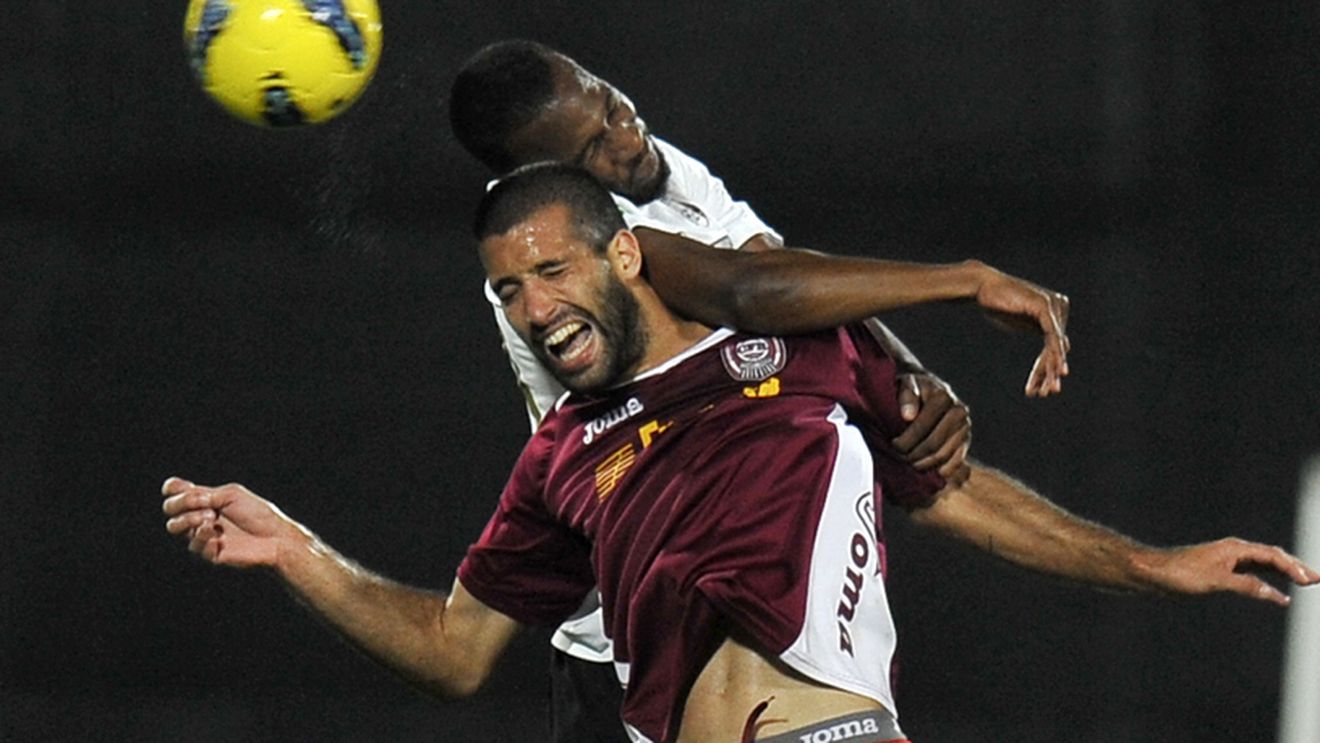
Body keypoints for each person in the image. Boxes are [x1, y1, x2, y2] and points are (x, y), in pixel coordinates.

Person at [162, 163, 1319, 743]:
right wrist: (296, 552)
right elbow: (459, 651)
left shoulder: (793, 348)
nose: (532, 306)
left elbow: (952, 492)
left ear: (626, 256)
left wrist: (1152, 564)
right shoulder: (561, 457)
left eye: (553, 270)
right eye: (507, 289)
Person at [448, 40, 1071, 740]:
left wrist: (902, 370)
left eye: (613, 105)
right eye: (596, 147)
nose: (628, 137)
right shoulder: (585, 249)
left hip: (736, 588)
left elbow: (779, 274)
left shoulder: (653, 167)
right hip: (625, 637)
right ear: (552, 180)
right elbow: (751, 292)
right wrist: (966, 280)